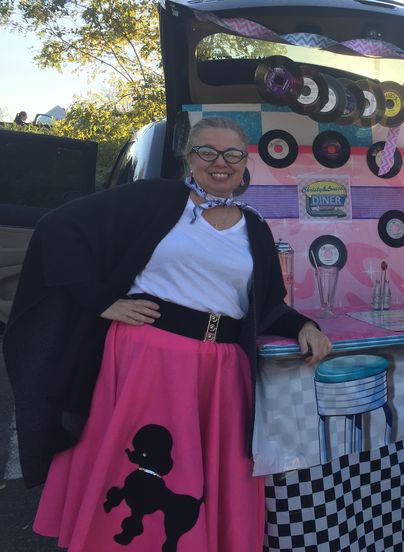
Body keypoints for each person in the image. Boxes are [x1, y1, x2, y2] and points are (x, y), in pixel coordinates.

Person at [3, 116, 332, 551]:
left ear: (245, 161)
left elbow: (267, 305)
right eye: (207, 152)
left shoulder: (254, 227)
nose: (220, 162)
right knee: (139, 471)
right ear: (189, 158)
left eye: (232, 153)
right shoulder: (153, 199)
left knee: (204, 476)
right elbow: (59, 228)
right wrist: (100, 300)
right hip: (146, 359)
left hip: (220, 372)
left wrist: (306, 325)